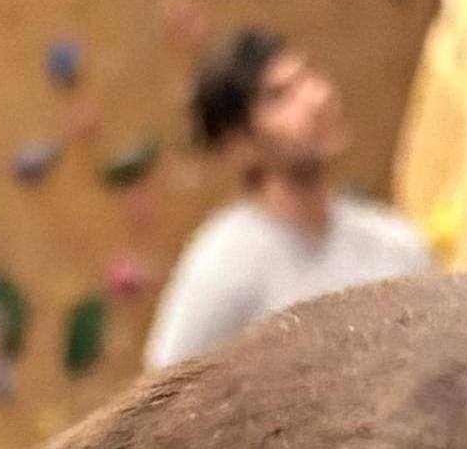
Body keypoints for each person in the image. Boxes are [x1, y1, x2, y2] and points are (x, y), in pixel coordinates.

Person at [144, 33, 430, 371]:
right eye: (279, 96)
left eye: (308, 76)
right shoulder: (223, 265)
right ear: (239, 144)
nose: (315, 98)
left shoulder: (396, 242)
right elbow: (166, 397)